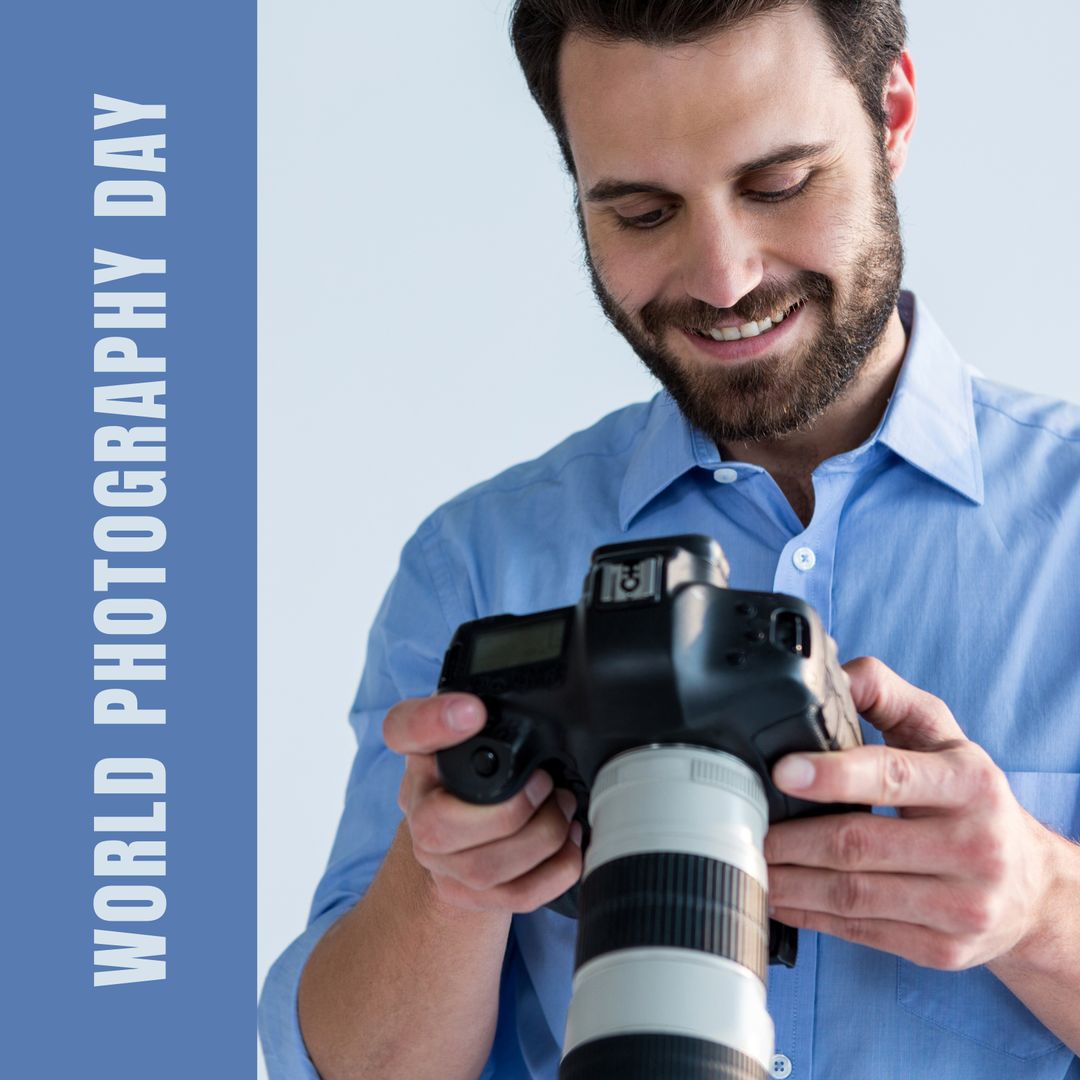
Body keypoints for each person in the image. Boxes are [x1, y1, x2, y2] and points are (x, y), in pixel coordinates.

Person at [259, 2, 1080, 1077]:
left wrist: (1042, 909)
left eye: (779, 185)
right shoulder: (478, 565)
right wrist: (449, 880)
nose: (724, 278)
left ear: (893, 115)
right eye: (644, 213)